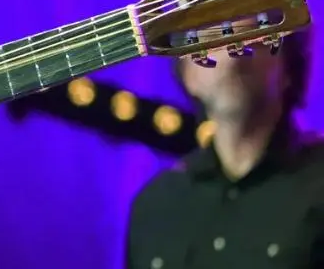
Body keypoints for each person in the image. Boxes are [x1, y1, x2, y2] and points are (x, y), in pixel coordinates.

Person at [124, 23, 324, 268]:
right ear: (188, 75)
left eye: (252, 34)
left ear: (288, 67)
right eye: (211, 38)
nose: (233, 53)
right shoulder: (156, 205)